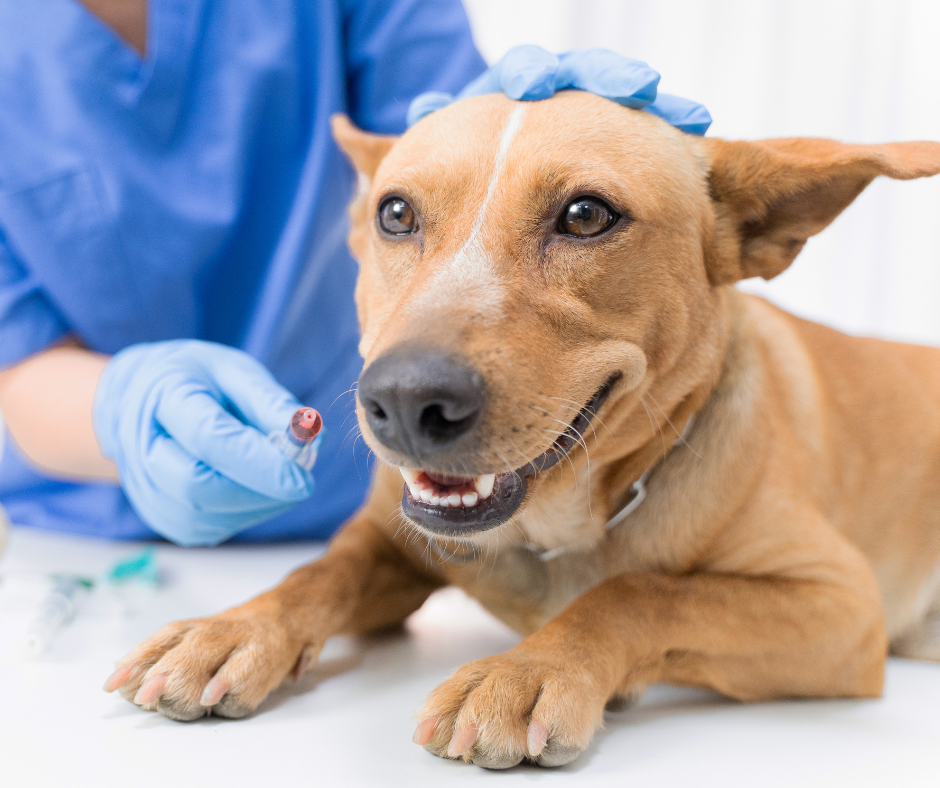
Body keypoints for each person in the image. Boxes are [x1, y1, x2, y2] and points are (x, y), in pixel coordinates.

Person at [0, 0, 708, 547]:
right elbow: (16, 364)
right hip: (82, 530)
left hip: (383, 499)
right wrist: (127, 411)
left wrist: (555, 157)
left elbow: (454, 166)